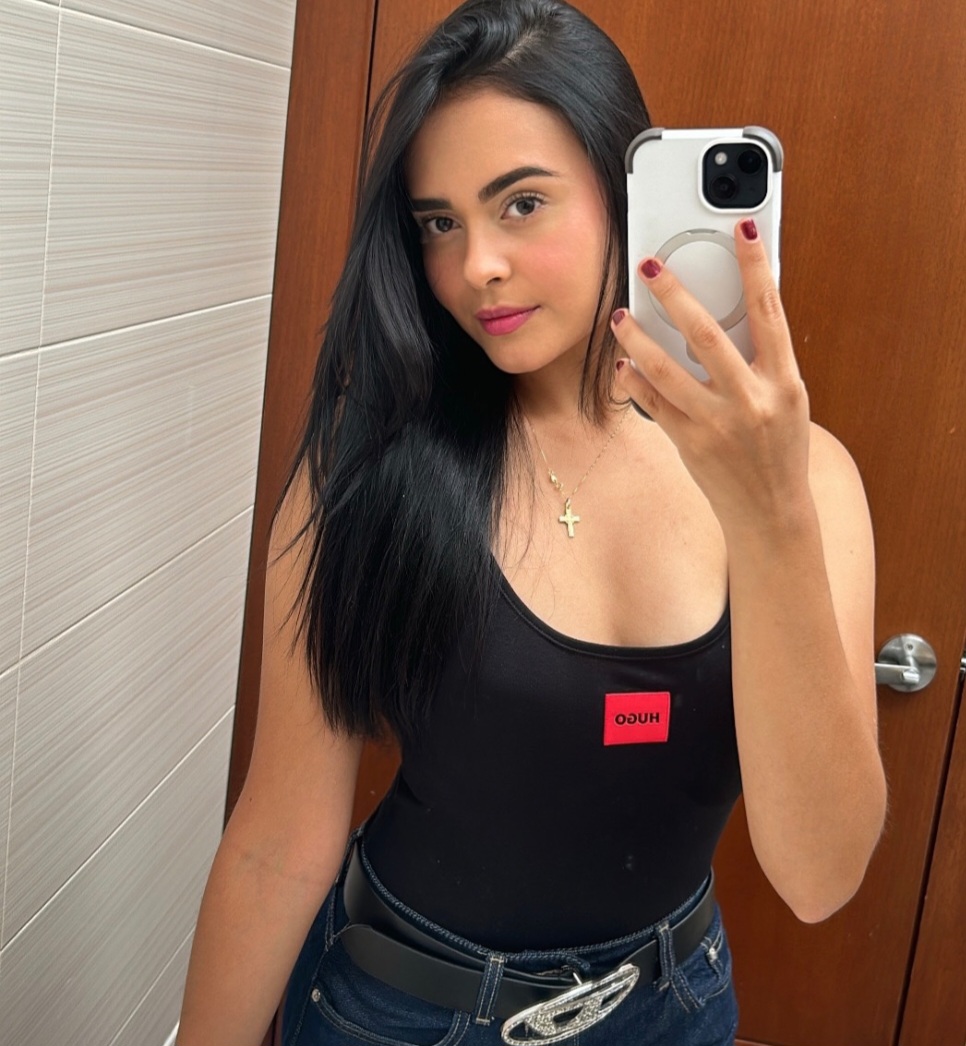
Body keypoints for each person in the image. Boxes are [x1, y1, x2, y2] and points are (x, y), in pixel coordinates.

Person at [175, 1, 887, 1044]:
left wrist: (771, 514)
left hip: (673, 1008)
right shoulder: (371, 460)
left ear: (625, 189)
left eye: (521, 204)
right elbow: (278, 842)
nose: (476, 267)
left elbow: (820, 878)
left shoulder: (809, 479)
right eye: (440, 223)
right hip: (401, 1006)